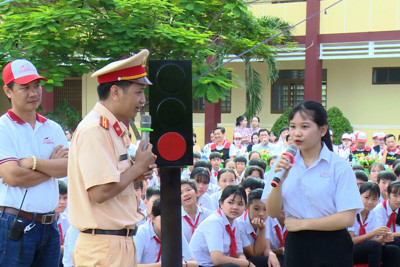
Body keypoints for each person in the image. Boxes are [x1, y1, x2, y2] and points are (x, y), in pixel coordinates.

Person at [68, 50, 157, 267]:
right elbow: (100, 191)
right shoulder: (95, 130)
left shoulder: (114, 129)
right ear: (115, 92)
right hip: (103, 247)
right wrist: (137, 169)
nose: (143, 100)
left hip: (116, 243)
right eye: (138, 92)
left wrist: (136, 169)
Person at [265, 100, 363, 267]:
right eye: (293, 127)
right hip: (297, 245)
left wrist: (302, 224)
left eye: (304, 127)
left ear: (322, 129)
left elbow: (347, 217)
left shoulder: (338, 166)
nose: (296, 133)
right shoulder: (282, 164)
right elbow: (273, 212)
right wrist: (279, 181)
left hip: (333, 244)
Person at [0, 59, 68, 266]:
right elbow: (12, 176)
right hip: (15, 223)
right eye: (25, 88)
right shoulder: (4, 128)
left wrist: (34, 163)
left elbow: (67, 167)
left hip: (50, 225)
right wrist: (51, 166)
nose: (34, 93)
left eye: (37, 86)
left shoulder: (53, 128)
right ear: (8, 91)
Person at [189, 185, 256, 267]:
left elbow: (239, 252)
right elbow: (217, 259)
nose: (235, 207)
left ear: (245, 207)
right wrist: (247, 264)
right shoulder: (215, 221)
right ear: (221, 203)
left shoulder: (234, 222)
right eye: (230, 202)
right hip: (203, 265)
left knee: (262, 261)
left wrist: (244, 262)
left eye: (240, 204)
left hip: (222, 264)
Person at [348, 182, 400, 267]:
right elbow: (350, 241)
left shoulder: (372, 214)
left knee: (393, 250)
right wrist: (373, 233)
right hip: (351, 250)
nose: (370, 202)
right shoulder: (352, 213)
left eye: (374, 199)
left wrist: (382, 240)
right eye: (366, 198)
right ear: (359, 196)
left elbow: (373, 240)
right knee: (374, 246)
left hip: (367, 248)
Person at [134, 199, 198, 266]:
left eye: (172, 218)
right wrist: (164, 264)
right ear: (152, 218)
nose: (169, 222)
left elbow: (194, 263)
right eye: (164, 218)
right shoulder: (141, 233)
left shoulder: (176, 231)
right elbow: (133, 265)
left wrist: (183, 264)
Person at [237, 189, 279, 267]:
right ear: (247, 207)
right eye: (256, 209)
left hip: (257, 258)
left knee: (276, 260)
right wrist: (262, 230)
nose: (261, 214)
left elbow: (266, 249)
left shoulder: (266, 219)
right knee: (265, 261)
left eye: (265, 209)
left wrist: (271, 253)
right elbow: (255, 254)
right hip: (244, 260)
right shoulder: (240, 225)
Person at [373, 180, 400, 247]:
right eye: (395, 196)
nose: (398, 200)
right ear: (388, 195)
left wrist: (394, 235)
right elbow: (380, 233)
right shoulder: (379, 209)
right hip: (383, 241)